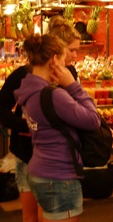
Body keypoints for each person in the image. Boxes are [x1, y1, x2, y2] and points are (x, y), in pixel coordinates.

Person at [0, 16, 85, 222]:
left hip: (55, 157)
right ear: (56, 52)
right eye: (71, 50)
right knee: (32, 216)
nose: (75, 55)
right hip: (28, 153)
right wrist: (27, 125)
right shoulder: (22, 74)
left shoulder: (69, 73)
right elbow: (1, 109)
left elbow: (76, 112)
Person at [14, 33, 100, 222]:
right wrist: (72, 85)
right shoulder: (53, 96)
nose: (67, 64)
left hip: (39, 170)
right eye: (63, 58)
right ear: (54, 59)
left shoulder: (28, 91)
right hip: (60, 177)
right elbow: (93, 119)